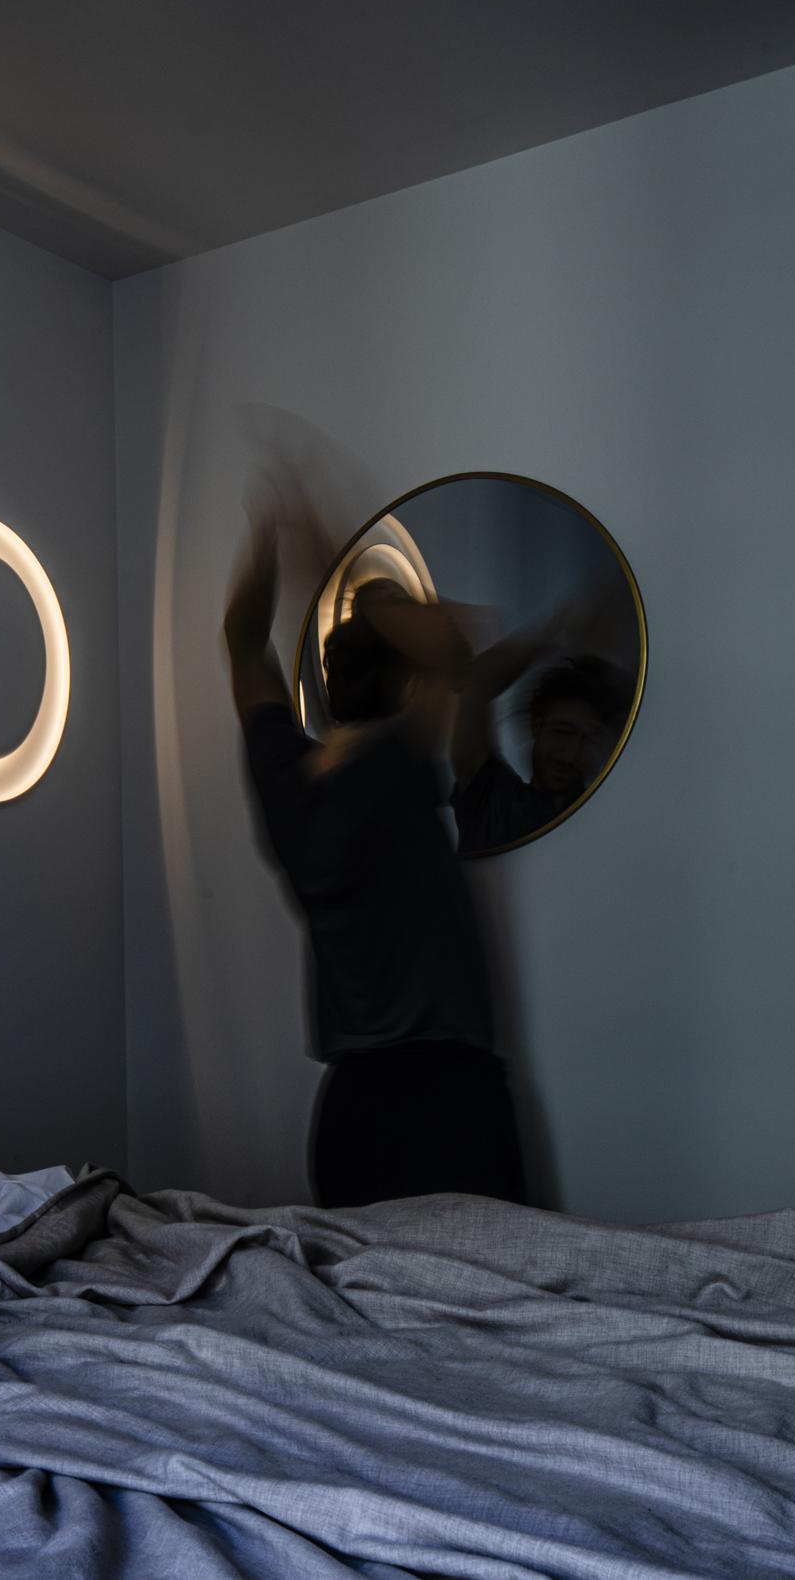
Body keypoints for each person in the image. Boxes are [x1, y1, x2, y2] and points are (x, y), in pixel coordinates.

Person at [223, 505, 527, 1209]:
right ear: (403, 682)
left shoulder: (285, 779)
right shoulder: (397, 758)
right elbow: (452, 648)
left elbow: (242, 642)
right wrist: (353, 571)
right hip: (450, 1095)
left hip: (350, 1109)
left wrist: (266, 531)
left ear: (329, 683)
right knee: (497, 1280)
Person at [450, 591, 633, 855]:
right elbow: (476, 683)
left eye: (589, 739)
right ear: (536, 726)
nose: (570, 755)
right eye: (562, 732)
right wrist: (555, 633)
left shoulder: (611, 821)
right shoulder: (494, 800)